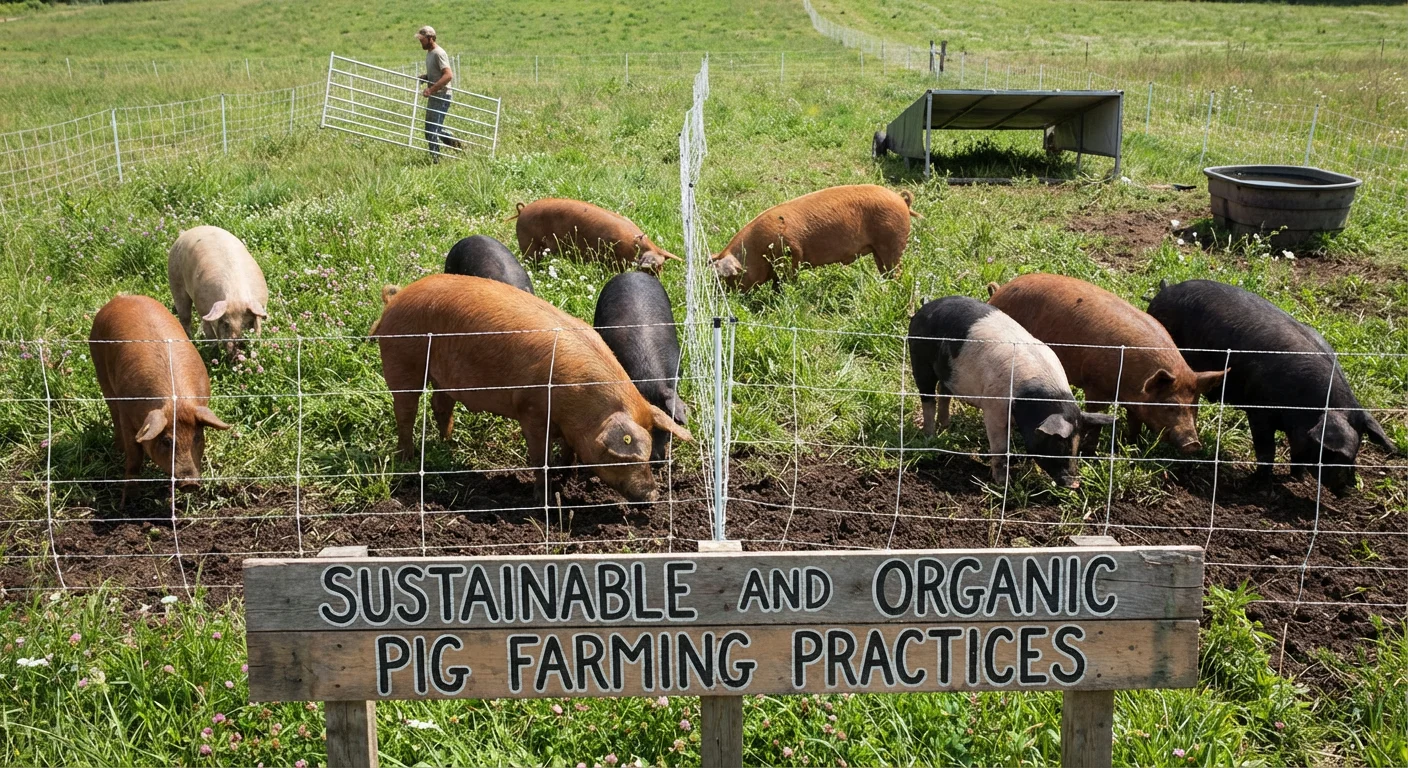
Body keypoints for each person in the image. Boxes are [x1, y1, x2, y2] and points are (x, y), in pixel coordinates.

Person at [416, 25, 461, 160]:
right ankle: (456, 146)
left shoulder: (439, 53)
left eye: (422, 39)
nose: (420, 42)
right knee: (434, 128)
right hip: (436, 94)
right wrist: (427, 77)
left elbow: (448, 75)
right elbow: (438, 74)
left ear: (430, 38)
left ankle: (436, 159)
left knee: (432, 129)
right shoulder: (430, 53)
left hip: (441, 95)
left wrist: (431, 89)